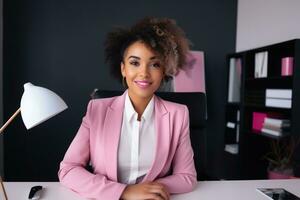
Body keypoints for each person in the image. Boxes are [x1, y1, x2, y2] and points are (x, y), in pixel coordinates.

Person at [58, 17, 197, 200]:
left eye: (155, 64)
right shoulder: (97, 110)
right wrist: (125, 192)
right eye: (134, 63)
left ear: (164, 70)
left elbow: (187, 178)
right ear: (123, 69)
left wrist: (149, 190)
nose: (144, 73)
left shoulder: (178, 114)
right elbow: (68, 170)